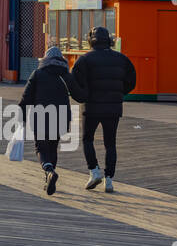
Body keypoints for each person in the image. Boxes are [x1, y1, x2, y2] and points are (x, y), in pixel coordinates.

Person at [71, 25, 137, 193]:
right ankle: (109, 180)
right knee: (110, 143)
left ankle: (94, 171)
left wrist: (83, 95)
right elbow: (131, 81)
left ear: (90, 41)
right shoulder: (122, 59)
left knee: (88, 139)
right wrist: (119, 93)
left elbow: (74, 82)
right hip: (113, 108)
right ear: (109, 40)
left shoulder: (84, 60)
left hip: (91, 107)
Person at [18, 46, 87, 195]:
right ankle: (49, 177)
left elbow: (26, 98)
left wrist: (21, 118)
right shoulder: (66, 75)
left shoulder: (37, 73)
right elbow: (80, 96)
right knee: (53, 146)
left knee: (41, 147)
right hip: (61, 116)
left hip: (40, 115)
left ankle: (49, 171)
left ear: (45, 58)